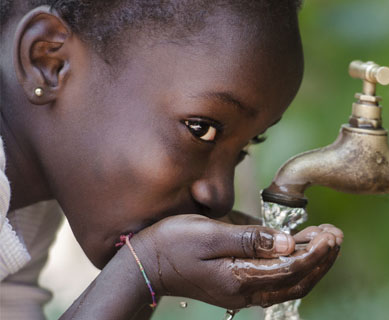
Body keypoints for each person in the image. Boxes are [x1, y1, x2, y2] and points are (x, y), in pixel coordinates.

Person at [0, 0, 344, 319]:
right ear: (49, 62)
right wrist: (145, 268)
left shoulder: (26, 211)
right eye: (201, 129)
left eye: (246, 146)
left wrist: (150, 275)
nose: (220, 195)